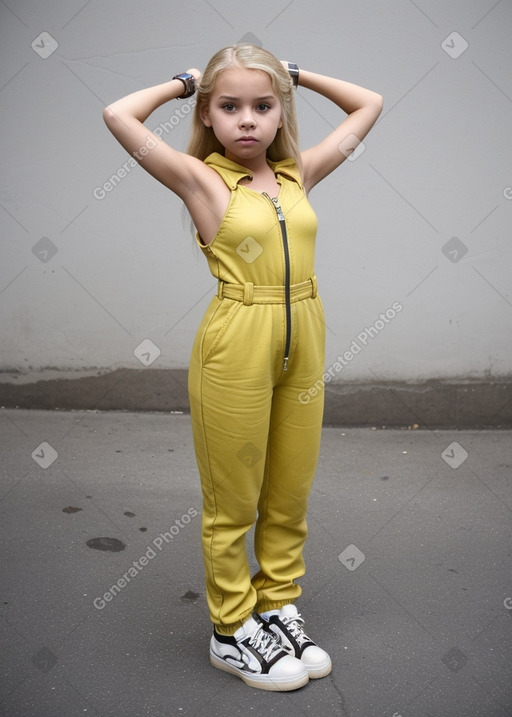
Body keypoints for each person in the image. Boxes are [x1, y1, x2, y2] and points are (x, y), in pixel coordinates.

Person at [103, 43, 382, 692]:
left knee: (288, 490)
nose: (248, 119)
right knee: (233, 502)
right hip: (237, 340)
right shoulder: (200, 179)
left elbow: (369, 104)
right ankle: (231, 628)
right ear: (209, 115)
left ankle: (277, 601)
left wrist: (297, 74)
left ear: (281, 114)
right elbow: (118, 115)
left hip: (306, 333)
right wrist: (186, 82)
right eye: (230, 107)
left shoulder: (298, 175)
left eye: (264, 106)